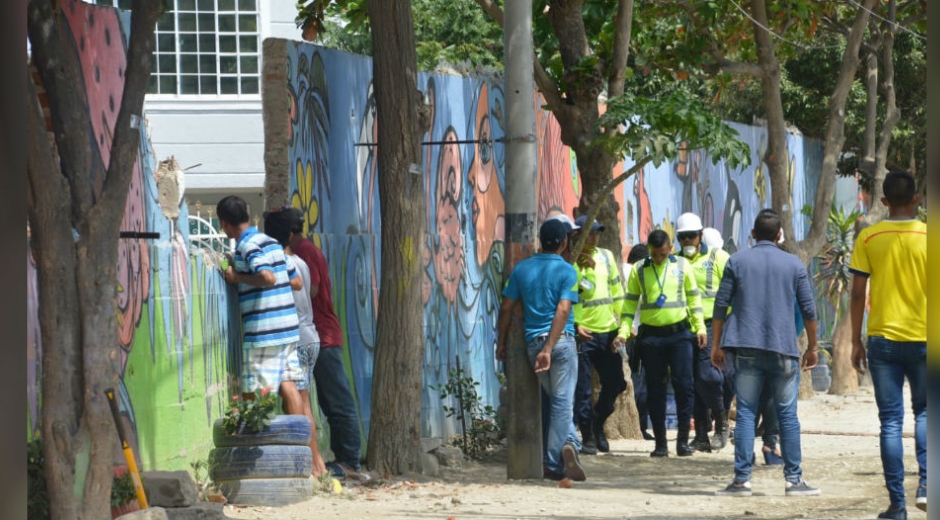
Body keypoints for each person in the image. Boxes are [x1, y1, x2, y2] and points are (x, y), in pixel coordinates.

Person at [711, 208, 820, 497]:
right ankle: (794, 481)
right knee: (787, 415)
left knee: (745, 411)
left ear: (753, 233)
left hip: (746, 349)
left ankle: (741, 481)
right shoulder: (794, 264)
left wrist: (716, 344)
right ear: (780, 235)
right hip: (783, 349)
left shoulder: (737, 261)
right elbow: (809, 310)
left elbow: (720, 306)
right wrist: (812, 347)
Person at [848, 171, 926, 520]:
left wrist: (854, 341)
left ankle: (898, 505)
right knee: (926, 414)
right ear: (917, 199)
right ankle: (927, 486)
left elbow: (857, 292)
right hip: (927, 338)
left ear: (883, 202)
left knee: (891, 422)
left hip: (882, 341)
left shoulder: (868, 237)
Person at [496, 218, 586, 481]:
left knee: (558, 402)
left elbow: (506, 309)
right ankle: (555, 461)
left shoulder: (521, 270)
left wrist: (501, 342)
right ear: (564, 242)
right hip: (561, 343)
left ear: (540, 241)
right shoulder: (569, 271)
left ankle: (570, 444)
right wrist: (550, 347)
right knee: (562, 402)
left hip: (533, 343)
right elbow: (563, 309)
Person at [287, 211, 365, 479]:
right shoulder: (303, 250)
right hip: (317, 334)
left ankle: (349, 461)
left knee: (336, 402)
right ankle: (342, 460)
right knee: (325, 402)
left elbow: (312, 290)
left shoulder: (304, 252)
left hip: (322, 334)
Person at [618, 229, 706, 458]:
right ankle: (660, 445)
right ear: (649, 250)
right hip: (652, 339)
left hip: (680, 336)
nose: (659, 258)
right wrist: (624, 331)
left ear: (670, 248)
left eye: (663, 254)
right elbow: (628, 306)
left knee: (684, 387)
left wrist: (700, 327)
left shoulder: (682, 266)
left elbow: (694, 299)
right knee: (654, 390)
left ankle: (683, 443)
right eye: (656, 254)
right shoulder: (639, 270)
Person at [216, 196, 305, 416]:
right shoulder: (272, 243)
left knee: (255, 393)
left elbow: (267, 277)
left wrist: (238, 277)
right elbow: (297, 282)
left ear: (225, 223)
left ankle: (255, 445)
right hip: (288, 329)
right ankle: (299, 446)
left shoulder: (247, 245)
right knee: (289, 386)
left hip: (265, 332)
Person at [263, 206, 328, 478]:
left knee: (299, 402)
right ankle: (319, 466)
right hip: (310, 336)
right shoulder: (299, 263)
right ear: (290, 234)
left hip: (296, 339)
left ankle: (311, 466)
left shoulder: (280, 266)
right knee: (305, 403)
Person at [570, 215, 628, 455]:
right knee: (582, 389)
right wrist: (576, 325)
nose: (594, 238)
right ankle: (588, 436)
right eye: (589, 233)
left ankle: (597, 422)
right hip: (583, 333)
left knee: (617, 383)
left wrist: (624, 326)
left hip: (607, 332)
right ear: (578, 234)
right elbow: (571, 296)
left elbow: (617, 293)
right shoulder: (571, 260)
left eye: (597, 233)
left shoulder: (605, 256)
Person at [675, 213, 732, 453]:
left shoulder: (718, 257)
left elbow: (733, 291)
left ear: (701, 235)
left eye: (691, 236)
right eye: (682, 237)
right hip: (684, 326)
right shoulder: (673, 261)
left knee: (708, 376)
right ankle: (700, 434)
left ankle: (721, 423)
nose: (687, 241)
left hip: (713, 325)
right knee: (692, 381)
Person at [622, 243, 653, 441]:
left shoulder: (622, 270)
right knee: (641, 381)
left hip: (621, 333)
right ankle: (640, 426)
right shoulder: (641, 272)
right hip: (638, 333)